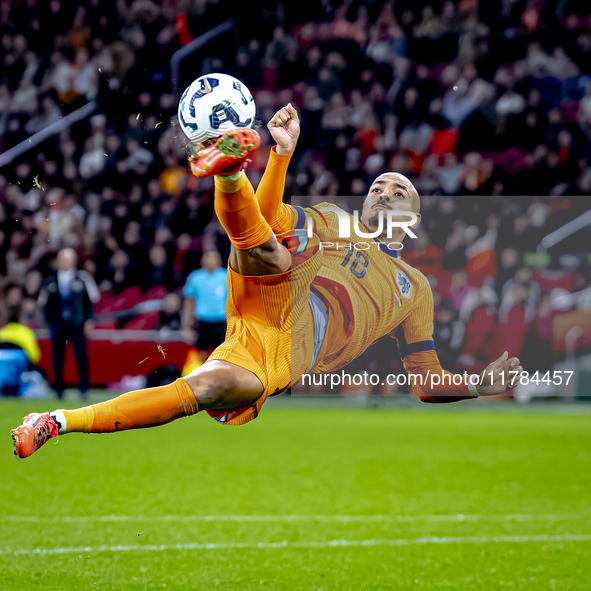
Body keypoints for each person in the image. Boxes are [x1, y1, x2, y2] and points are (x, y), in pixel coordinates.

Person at [12, 104, 524, 458]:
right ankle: (230, 171)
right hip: (279, 292)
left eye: (399, 189)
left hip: (274, 356)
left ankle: (56, 421)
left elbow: (426, 383)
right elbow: (271, 214)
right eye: (379, 184)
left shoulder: (415, 287)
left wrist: (481, 384)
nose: (386, 190)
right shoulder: (330, 218)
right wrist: (281, 155)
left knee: (199, 390)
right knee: (280, 247)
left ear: (413, 214)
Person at [37, 248, 100, 399]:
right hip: (58, 324)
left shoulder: (82, 277)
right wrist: (49, 321)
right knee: (58, 358)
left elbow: (91, 300)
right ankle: (58, 389)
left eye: (69, 258)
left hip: (77, 323)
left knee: (82, 357)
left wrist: (88, 320)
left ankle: (83, 389)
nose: (66, 262)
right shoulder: (50, 280)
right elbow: (44, 303)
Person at [182, 250, 228, 363]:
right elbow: (188, 303)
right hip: (202, 322)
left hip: (221, 322)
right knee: (201, 357)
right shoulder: (195, 277)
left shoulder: (226, 276)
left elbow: (233, 302)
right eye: (208, 257)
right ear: (202, 260)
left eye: (214, 257)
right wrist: (186, 327)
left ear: (219, 260)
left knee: (222, 356)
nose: (211, 260)